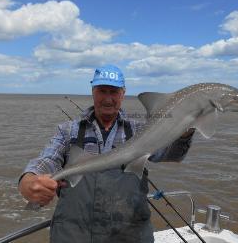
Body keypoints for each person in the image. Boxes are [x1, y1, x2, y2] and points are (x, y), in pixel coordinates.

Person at [18, 65, 195, 243]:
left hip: (130, 235)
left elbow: (171, 154)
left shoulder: (140, 130)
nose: (108, 99)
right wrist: (28, 180)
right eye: (102, 91)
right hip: (73, 235)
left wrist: (185, 130)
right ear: (93, 92)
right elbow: (47, 159)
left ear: (123, 93)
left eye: (114, 91)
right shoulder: (68, 131)